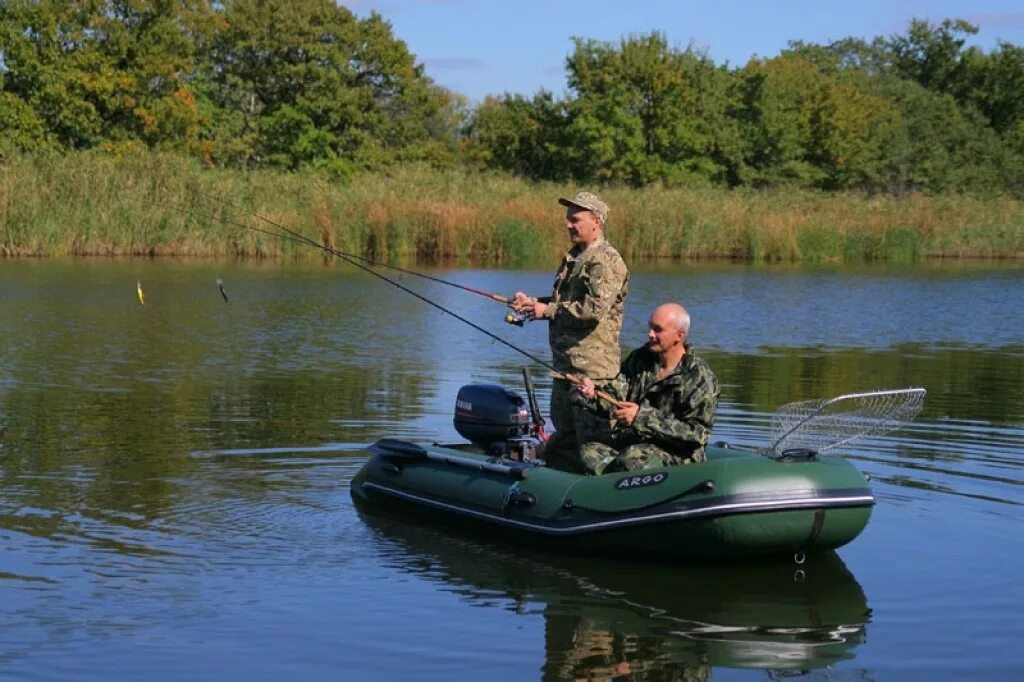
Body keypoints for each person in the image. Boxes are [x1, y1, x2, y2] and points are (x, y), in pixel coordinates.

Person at [512, 191, 629, 473]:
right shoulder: (575, 257)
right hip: (565, 368)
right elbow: (567, 301)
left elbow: (592, 310)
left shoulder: (606, 261)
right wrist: (535, 303)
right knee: (564, 437)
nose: (568, 225)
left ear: (596, 222)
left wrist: (548, 311)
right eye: (568, 219)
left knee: (594, 443)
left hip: (593, 372)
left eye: (575, 220)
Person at [574, 303, 719, 475]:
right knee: (589, 452)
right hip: (636, 444)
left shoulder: (699, 377)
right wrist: (593, 393)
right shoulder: (640, 359)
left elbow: (697, 435)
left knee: (633, 458)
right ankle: (610, 491)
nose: (650, 334)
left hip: (678, 456)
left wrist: (641, 417)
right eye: (650, 327)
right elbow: (615, 393)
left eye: (658, 330)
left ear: (678, 336)